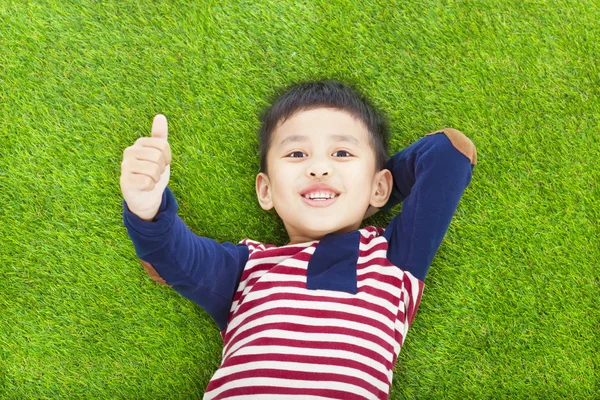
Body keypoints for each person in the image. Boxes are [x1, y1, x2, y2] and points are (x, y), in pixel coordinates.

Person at [120, 80, 477, 399]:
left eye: (342, 153)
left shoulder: (394, 257)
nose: (319, 168)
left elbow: (447, 156)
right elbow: (173, 258)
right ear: (266, 190)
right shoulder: (245, 268)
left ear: (381, 185)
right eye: (296, 154)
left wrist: (367, 197)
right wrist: (146, 203)